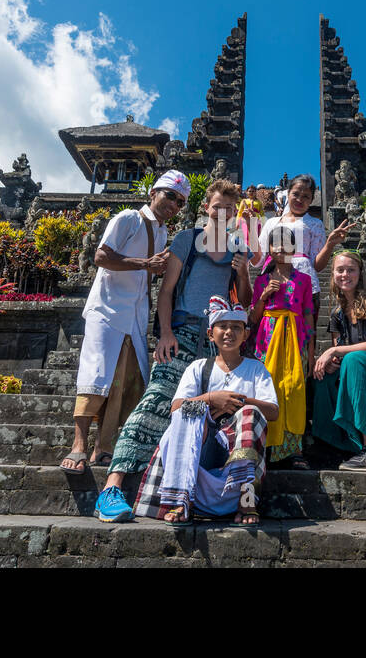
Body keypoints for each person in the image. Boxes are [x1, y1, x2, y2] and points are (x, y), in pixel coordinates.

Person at [94, 179, 252, 522]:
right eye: (217, 206)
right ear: (206, 207)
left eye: (229, 208)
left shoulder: (239, 245)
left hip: (217, 340)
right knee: (155, 401)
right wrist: (165, 333)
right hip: (181, 332)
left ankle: (187, 494)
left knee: (206, 416)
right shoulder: (187, 240)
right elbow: (167, 292)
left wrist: (242, 274)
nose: (222, 212)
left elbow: (244, 300)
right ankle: (112, 486)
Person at [62, 170, 187, 473]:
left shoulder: (160, 232)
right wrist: (145, 264)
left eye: (181, 202)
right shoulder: (128, 218)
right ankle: (78, 445)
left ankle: (102, 447)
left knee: (122, 381)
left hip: (134, 314)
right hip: (107, 309)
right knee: (96, 373)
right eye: (170, 195)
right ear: (153, 193)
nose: (174, 204)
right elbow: (101, 257)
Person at [133, 296, 279, 527]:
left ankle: (247, 500)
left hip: (238, 452)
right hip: (203, 450)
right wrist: (212, 399)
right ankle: (180, 499)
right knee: (187, 416)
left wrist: (237, 401)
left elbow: (272, 411)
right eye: (223, 326)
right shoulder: (198, 367)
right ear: (211, 334)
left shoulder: (256, 369)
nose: (229, 332)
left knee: (251, 413)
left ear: (246, 334)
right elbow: (175, 408)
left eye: (236, 327)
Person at [310, 250, 366, 471]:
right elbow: (339, 353)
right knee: (322, 375)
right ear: (332, 274)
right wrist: (331, 362)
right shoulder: (337, 314)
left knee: (354, 360)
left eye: (351, 270)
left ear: (361, 272)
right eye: (340, 270)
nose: (345, 275)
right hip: (357, 366)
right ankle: (332, 443)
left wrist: (335, 351)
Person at [251, 227, 315, 468]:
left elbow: (308, 314)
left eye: (285, 243)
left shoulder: (304, 280)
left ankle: (292, 450)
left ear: (293, 248)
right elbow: (254, 318)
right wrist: (264, 296)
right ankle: (266, 446)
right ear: (269, 249)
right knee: (269, 389)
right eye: (274, 244)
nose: (279, 248)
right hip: (267, 340)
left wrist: (310, 349)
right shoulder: (261, 281)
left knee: (294, 389)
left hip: (296, 339)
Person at [257, 174, 354, 325]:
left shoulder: (315, 224)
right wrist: (248, 229)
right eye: (295, 194)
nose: (300, 199)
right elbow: (258, 260)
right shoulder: (272, 223)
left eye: (306, 196)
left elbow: (318, 266)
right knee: (269, 331)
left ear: (311, 199)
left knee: (303, 334)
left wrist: (329, 244)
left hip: (305, 284)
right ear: (287, 193)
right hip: (273, 281)